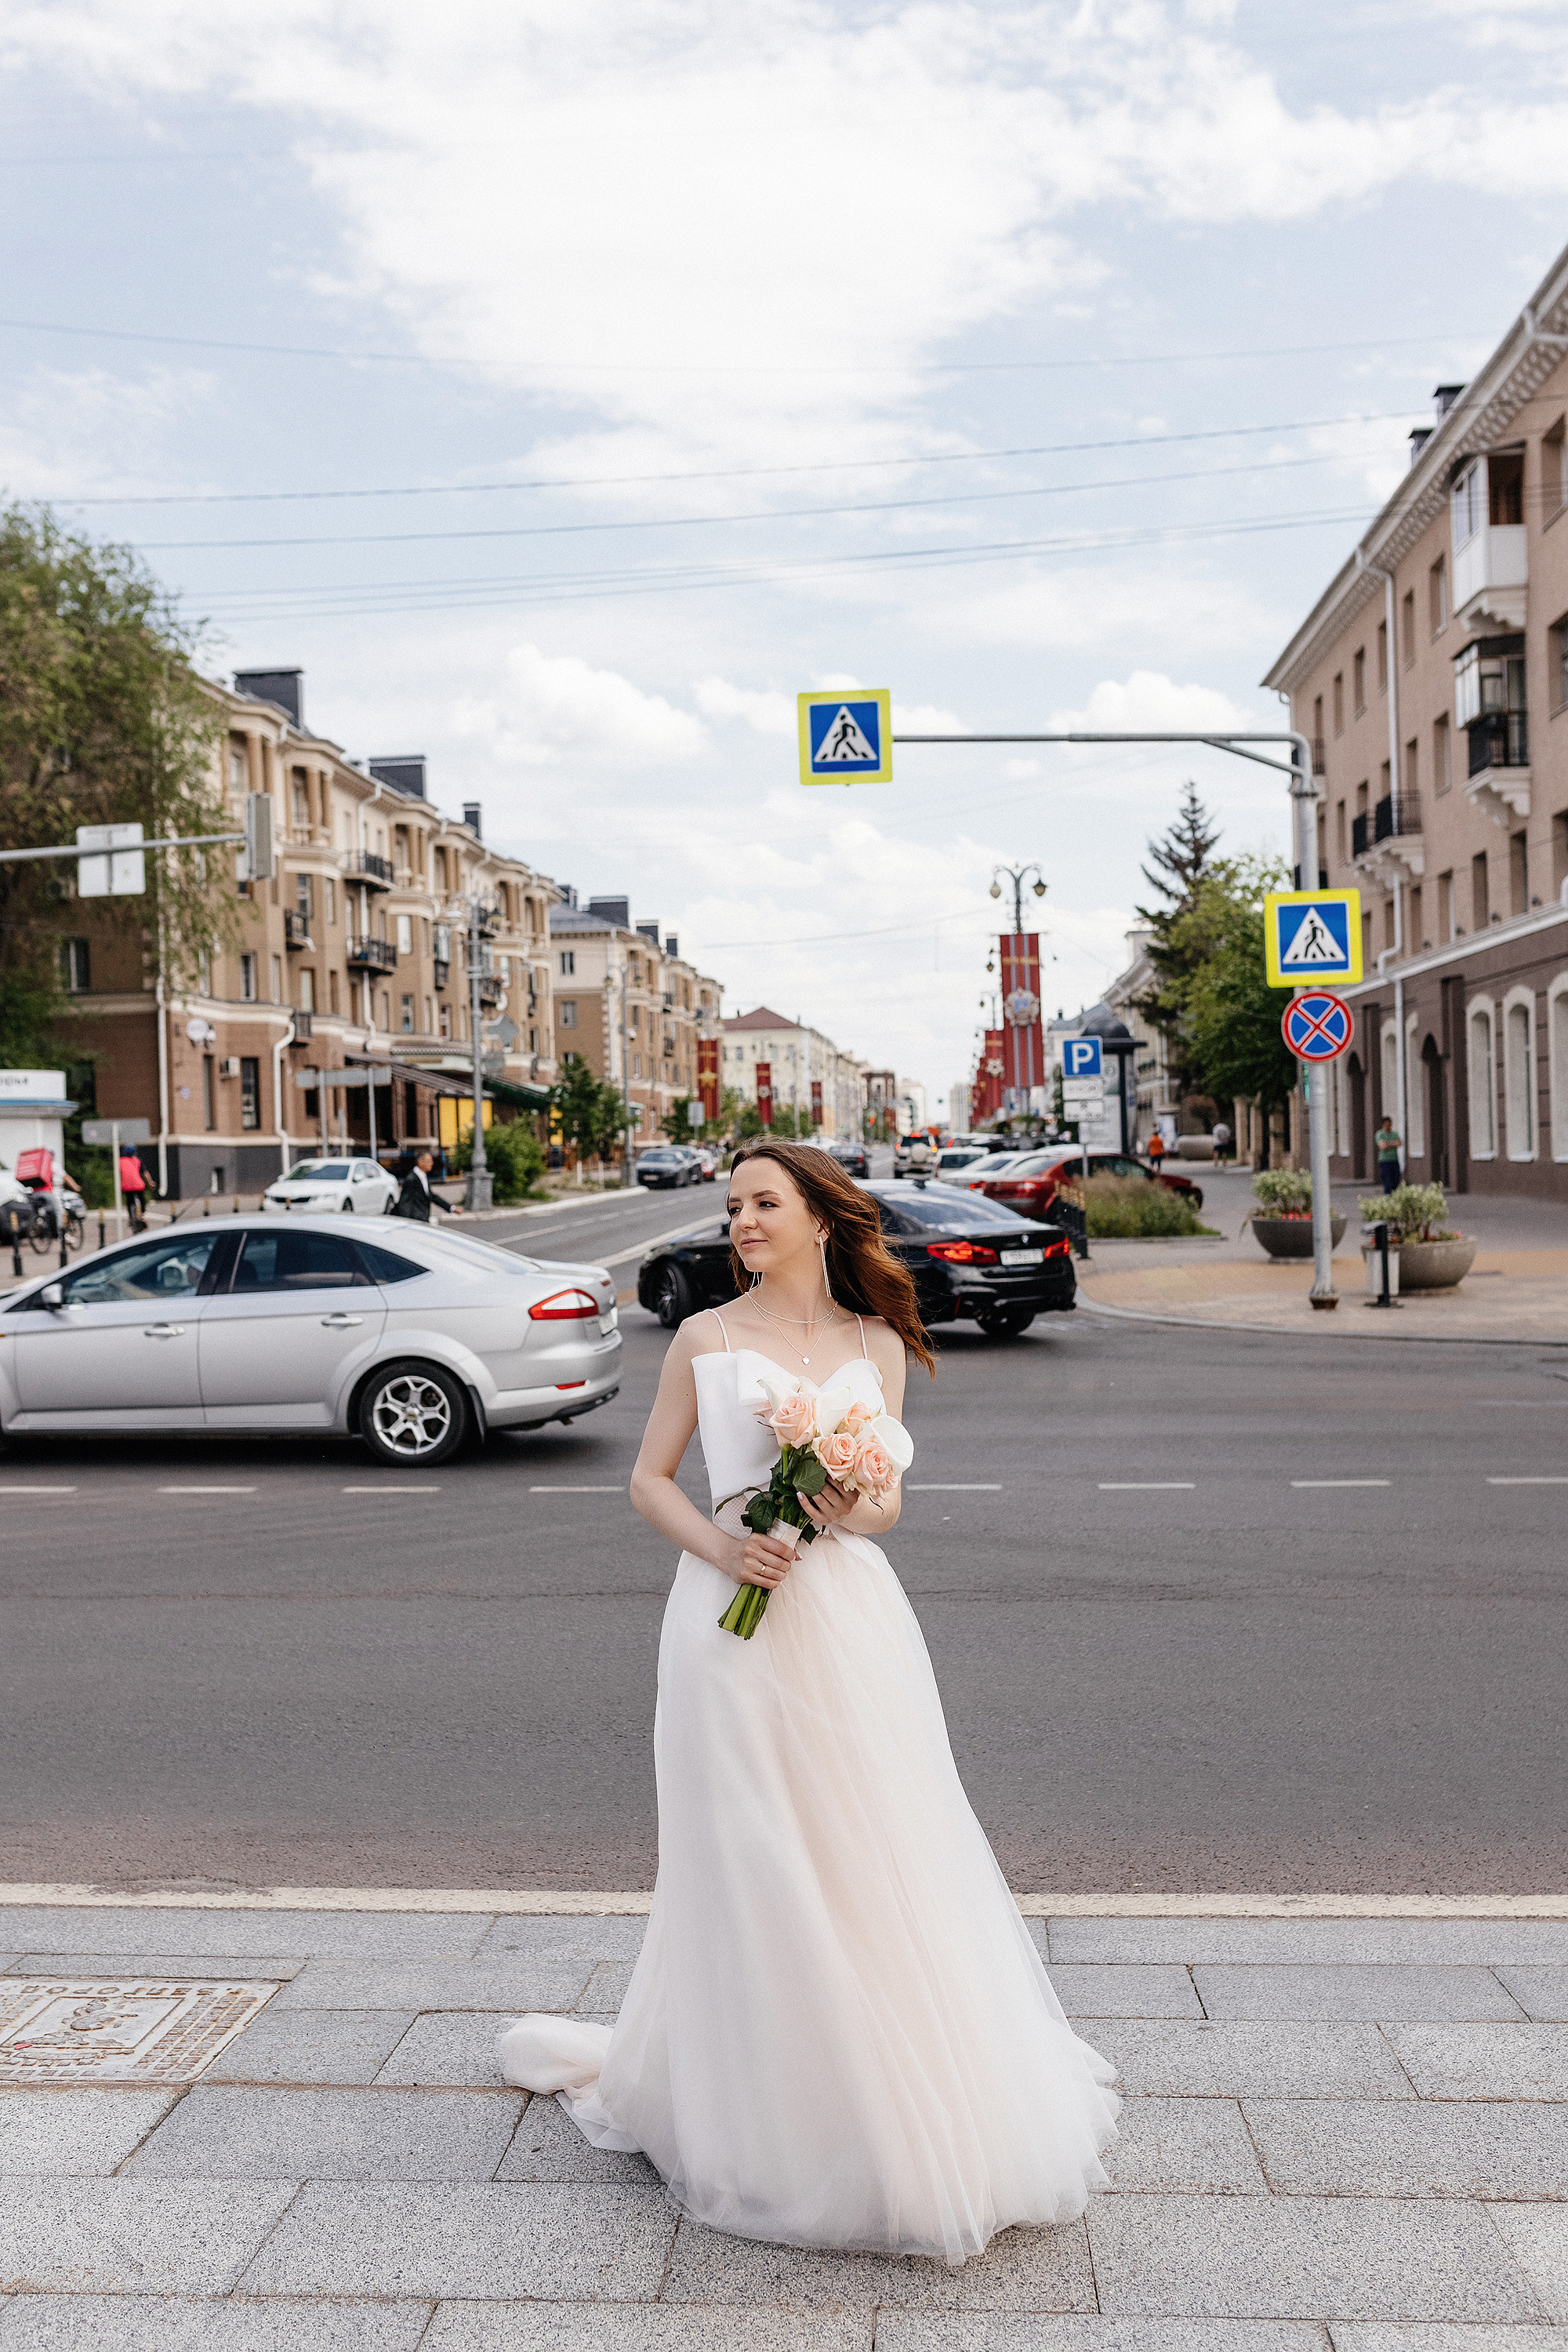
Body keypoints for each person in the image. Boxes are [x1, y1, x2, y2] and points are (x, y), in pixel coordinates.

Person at [498, 1138, 1119, 2259]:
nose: (740, 1219)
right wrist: (728, 1549)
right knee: (746, 1847)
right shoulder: (705, 1334)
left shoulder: (875, 1344)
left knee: (867, 1841)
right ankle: (757, 2107)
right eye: (732, 1204)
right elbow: (649, 1482)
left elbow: (886, 1510)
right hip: (724, 1621)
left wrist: (834, 1497)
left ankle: (881, 2085)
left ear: (823, 1218)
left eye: (762, 1202)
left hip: (845, 1618)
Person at [391, 1147, 462, 1220]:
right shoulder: (411, 1179)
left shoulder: (423, 1177)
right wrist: (409, 1222)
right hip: (416, 1221)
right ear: (420, 1162)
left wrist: (452, 1208)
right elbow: (404, 1203)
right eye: (429, 1161)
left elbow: (432, 1196)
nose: (432, 1163)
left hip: (422, 1219)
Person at [118, 1149, 148, 1232]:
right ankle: (142, 1215)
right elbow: (145, 1173)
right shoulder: (137, 1160)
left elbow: (118, 1173)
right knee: (142, 1199)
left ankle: (131, 1218)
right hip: (138, 1185)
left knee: (129, 1201)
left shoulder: (120, 1161)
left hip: (126, 1186)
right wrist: (150, 1182)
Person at [1375, 1116, 1403, 1194]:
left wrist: (1388, 1144)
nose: (1389, 1126)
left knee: (1396, 1179)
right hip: (1384, 1161)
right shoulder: (1379, 1134)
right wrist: (1393, 1143)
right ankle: (1387, 1196)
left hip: (1394, 1159)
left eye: (1390, 1124)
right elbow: (1382, 1146)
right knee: (1387, 1179)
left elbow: (1400, 1143)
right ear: (1383, 1125)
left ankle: (1393, 1193)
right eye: (1387, 1124)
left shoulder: (1395, 1134)